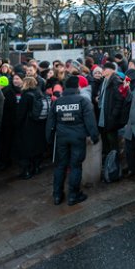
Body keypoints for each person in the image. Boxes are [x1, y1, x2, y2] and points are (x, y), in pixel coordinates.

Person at [46, 75, 99, 206]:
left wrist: (49, 138)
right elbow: (90, 121)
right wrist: (94, 137)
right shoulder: (82, 101)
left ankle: (57, 195)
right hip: (78, 138)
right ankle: (73, 196)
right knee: (75, 166)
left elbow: (50, 121)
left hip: (61, 138)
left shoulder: (58, 102)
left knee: (60, 166)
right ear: (77, 87)